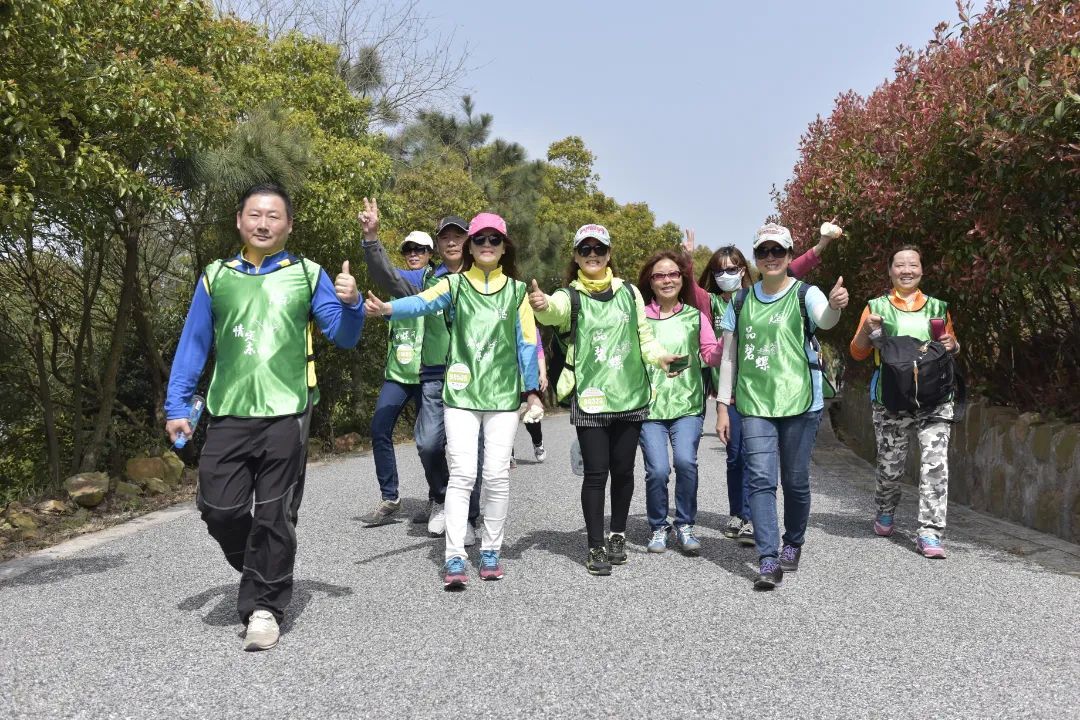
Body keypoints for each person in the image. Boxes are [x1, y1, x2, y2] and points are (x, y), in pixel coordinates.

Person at [164, 184, 364, 650]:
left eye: (274, 216)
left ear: (288, 226)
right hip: (228, 410)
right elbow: (194, 344)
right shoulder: (216, 276)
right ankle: (264, 568)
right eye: (255, 214)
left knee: (275, 514)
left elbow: (343, 335)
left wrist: (352, 303)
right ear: (239, 221)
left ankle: (264, 608)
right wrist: (178, 406)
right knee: (218, 509)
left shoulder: (307, 273)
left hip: (287, 412)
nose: (263, 223)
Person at [365, 212, 542, 590]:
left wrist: (531, 392)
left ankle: (491, 550)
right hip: (460, 395)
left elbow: (527, 343)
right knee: (462, 474)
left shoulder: (516, 291)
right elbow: (422, 302)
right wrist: (388, 309)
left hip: (502, 397)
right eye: (480, 240)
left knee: (495, 476)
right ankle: (455, 556)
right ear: (471, 246)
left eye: (495, 240)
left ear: (504, 246)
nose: (487, 246)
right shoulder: (456, 285)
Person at [529, 224, 679, 576]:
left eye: (599, 248)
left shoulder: (629, 292)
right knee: (596, 474)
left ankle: (617, 534)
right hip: (591, 398)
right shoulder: (572, 296)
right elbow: (553, 311)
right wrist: (542, 304)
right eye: (585, 249)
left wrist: (661, 357)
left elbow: (644, 337)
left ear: (609, 253)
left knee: (624, 472)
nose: (592, 254)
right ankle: (595, 545)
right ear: (576, 256)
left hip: (631, 397)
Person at [716, 222, 848, 589]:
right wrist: (724, 406)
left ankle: (793, 542)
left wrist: (836, 307)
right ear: (755, 258)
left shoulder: (806, 293)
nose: (771, 258)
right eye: (763, 252)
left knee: (795, 480)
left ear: (790, 256)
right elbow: (729, 357)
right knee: (759, 478)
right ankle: (768, 557)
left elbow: (825, 319)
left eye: (778, 251)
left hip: (800, 402)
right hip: (755, 402)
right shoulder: (741, 301)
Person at [690, 226, 839, 546]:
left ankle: (770, 530)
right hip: (739, 393)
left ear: (744, 267)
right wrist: (721, 402)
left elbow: (796, 272)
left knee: (789, 476)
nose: (725, 274)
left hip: (788, 393)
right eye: (719, 270)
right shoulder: (721, 303)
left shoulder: (774, 289)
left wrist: (822, 246)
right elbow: (723, 353)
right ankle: (748, 522)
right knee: (740, 458)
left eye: (732, 268)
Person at [359, 204, 482, 543]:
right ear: (439, 246)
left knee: (471, 448)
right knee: (428, 444)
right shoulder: (428, 280)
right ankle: (440, 498)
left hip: (475, 376)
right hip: (432, 374)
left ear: (468, 241)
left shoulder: (482, 277)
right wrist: (371, 240)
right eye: (446, 237)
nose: (452, 242)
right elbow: (390, 279)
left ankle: (468, 515)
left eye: (459, 236)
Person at [849, 245, 960, 558]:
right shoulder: (876, 307)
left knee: (935, 463)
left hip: (935, 397)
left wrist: (953, 343)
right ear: (890, 271)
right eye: (900, 265)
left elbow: (951, 346)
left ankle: (930, 532)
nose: (907, 270)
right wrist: (868, 332)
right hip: (892, 399)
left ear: (922, 270)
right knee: (890, 467)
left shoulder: (938, 307)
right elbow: (857, 353)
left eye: (913, 265)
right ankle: (885, 510)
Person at [636, 251, 724, 556]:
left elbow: (711, 355)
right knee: (657, 470)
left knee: (686, 462)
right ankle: (658, 527)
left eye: (673, 274)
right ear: (650, 281)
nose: (667, 280)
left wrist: (727, 340)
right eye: (659, 275)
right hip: (649, 408)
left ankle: (685, 524)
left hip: (687, 405)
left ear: (682, 278)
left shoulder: (694, 317)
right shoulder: (640, 318)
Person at [356, 225, 435, 526]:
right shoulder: (399, 284)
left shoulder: (435, 280)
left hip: (427, 373)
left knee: (430, 441)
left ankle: (435, 498)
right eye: (408, 250)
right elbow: (390, 280)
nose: (413, 254)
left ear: (430, 254)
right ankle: (391, 498)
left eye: (420, 249)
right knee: (379, 429)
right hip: (398, 373)